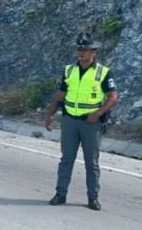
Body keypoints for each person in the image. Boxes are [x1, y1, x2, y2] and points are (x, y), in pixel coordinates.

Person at [45, 32, 118, 211]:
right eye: (79, 49)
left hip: (91, 124)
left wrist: (98, 113)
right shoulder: (69, 70)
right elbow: (61, 94)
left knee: (91, 163)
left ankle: (93, 198)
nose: (81, 53)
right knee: (66, 160)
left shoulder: (103, 72)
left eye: (85, 50)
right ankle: (60, 194)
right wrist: (50, 114)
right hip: (70, 120)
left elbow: (113, 97)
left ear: (94, 52)